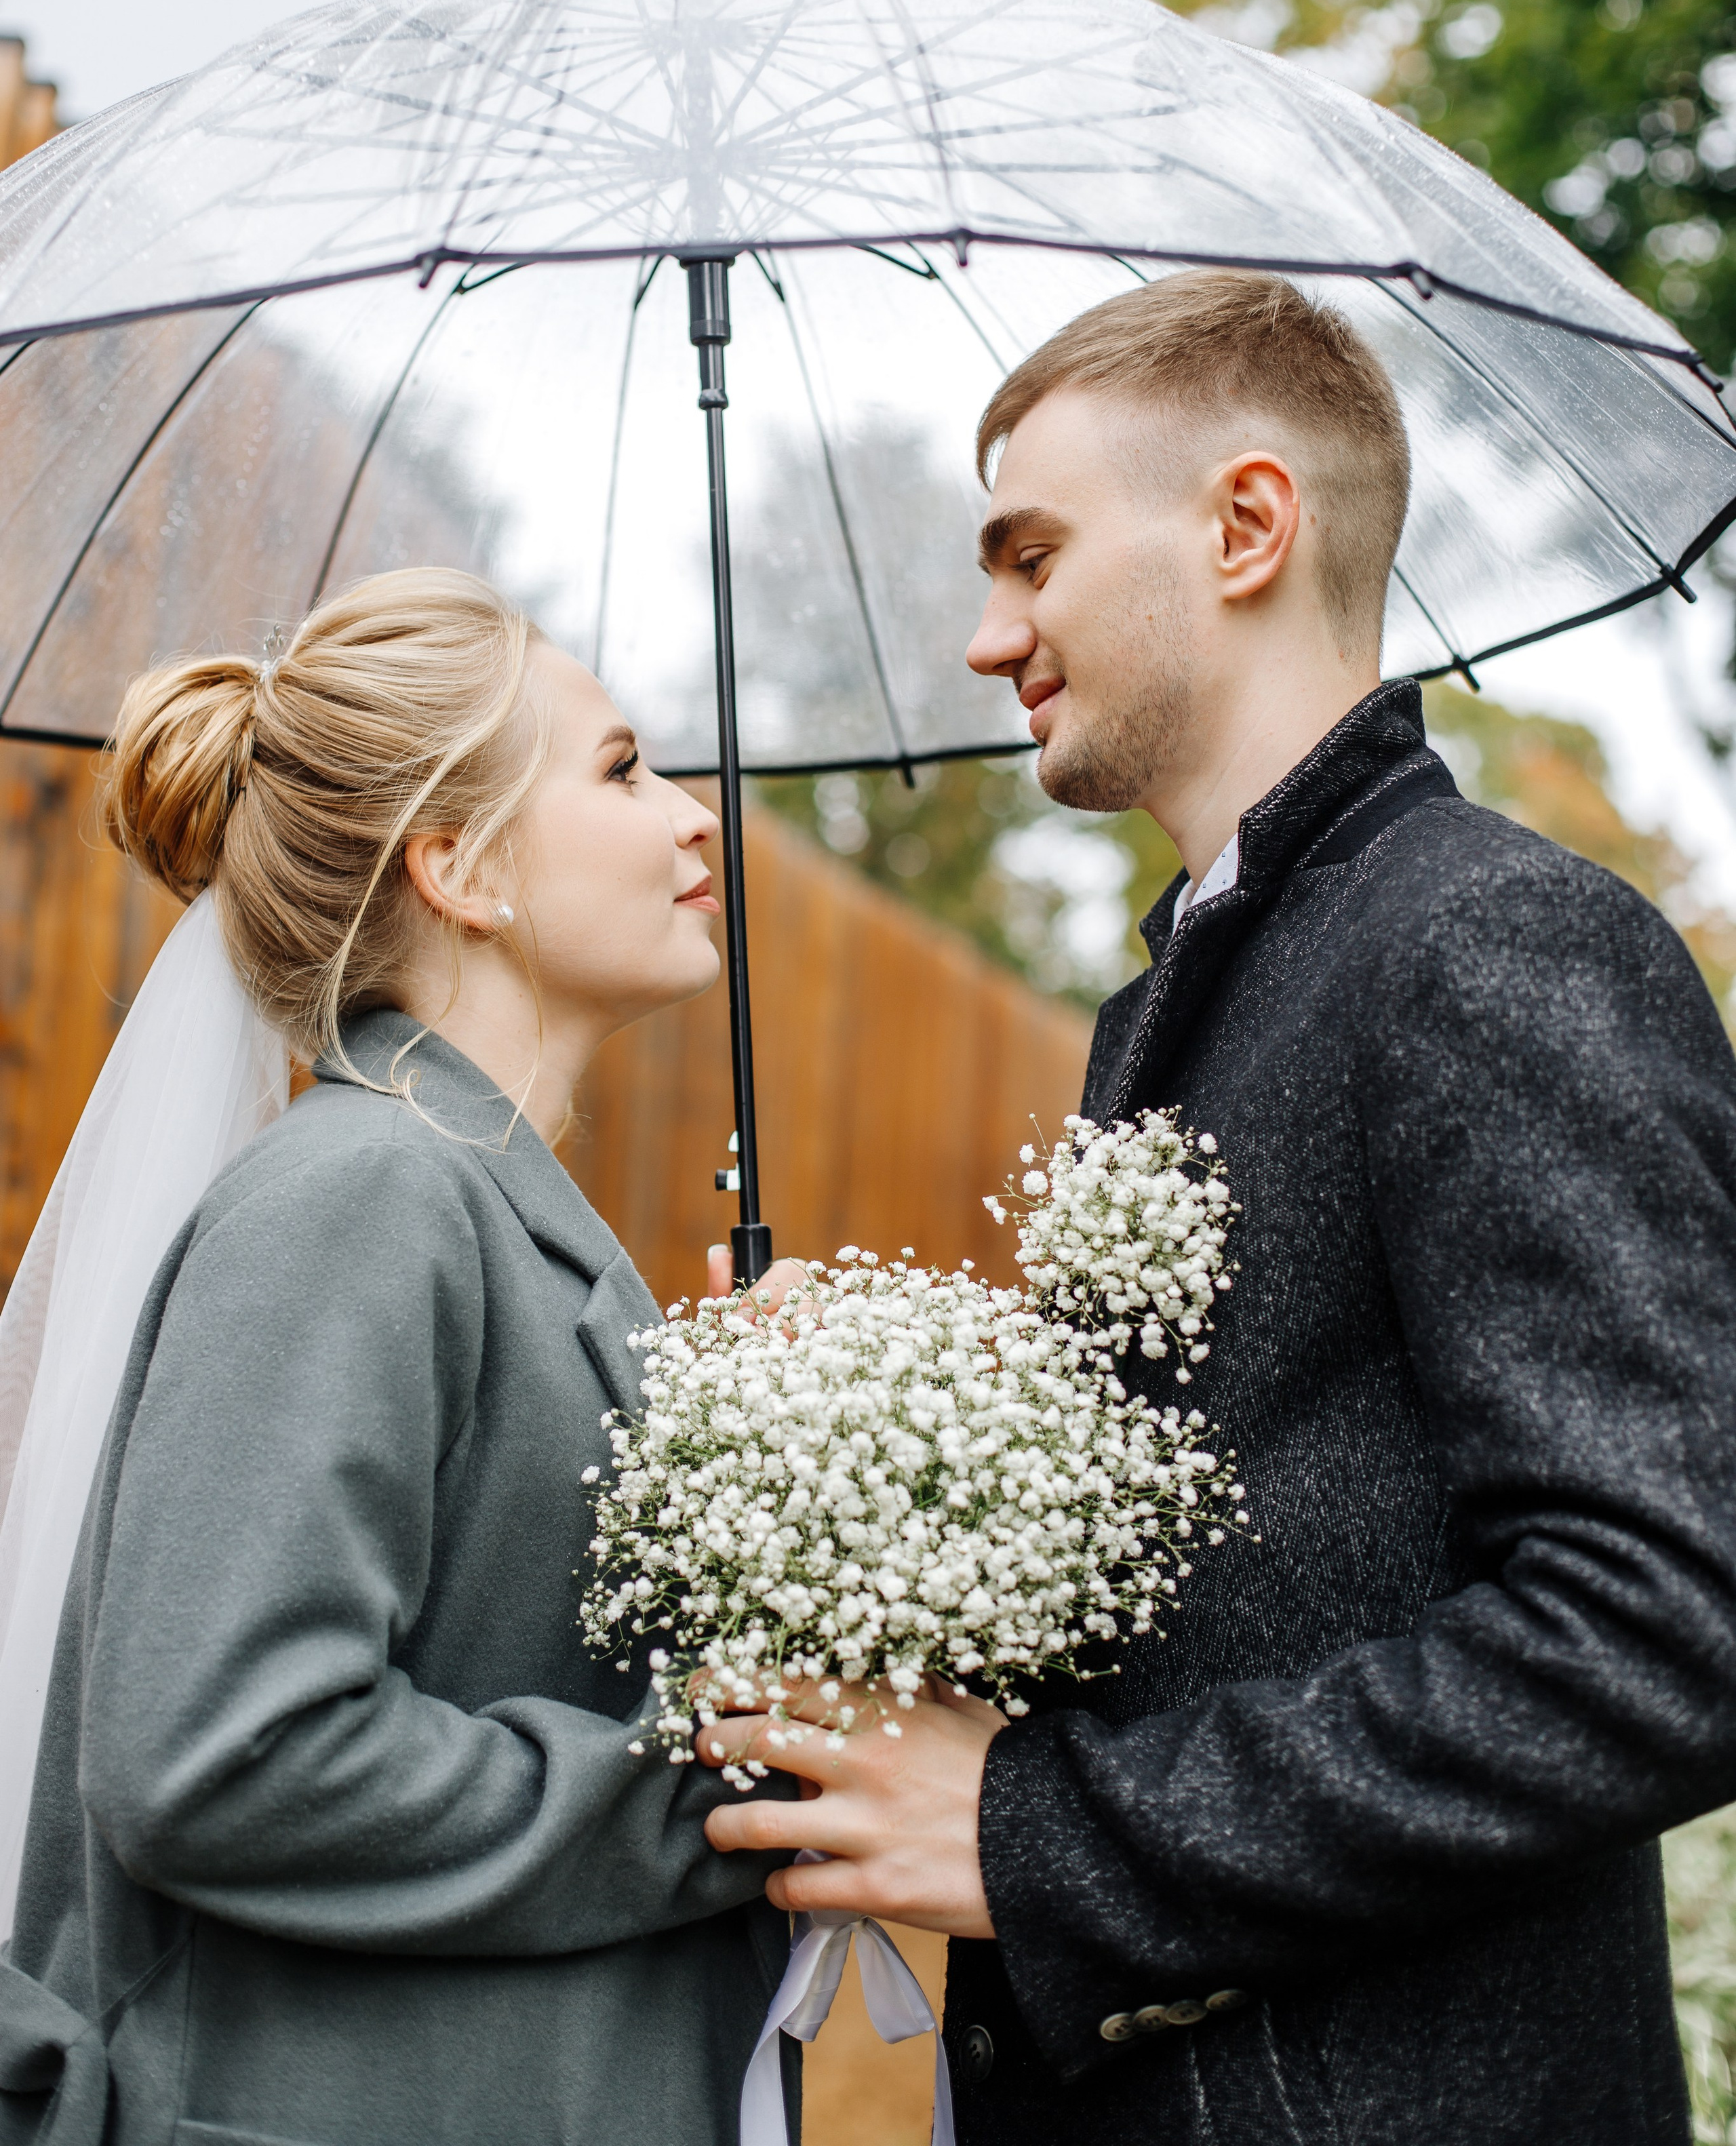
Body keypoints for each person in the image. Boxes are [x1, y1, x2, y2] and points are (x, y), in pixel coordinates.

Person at [696, 269, 1736, 2145]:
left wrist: (1042, 1832)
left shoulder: (1492, 943)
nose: (986, 634)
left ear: (1247, 525)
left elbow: (1666, 1625)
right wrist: (862, 1455)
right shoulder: (1196, 991)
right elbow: (1244, 1555)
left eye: (1031, 555)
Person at [0, 566, 802, 2146]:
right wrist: (718, 1794)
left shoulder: (474, 1201)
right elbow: (223, 1753)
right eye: (626, 768)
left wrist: (763, 1456)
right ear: (464, 869)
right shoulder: (368, 1192)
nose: (694, 815)